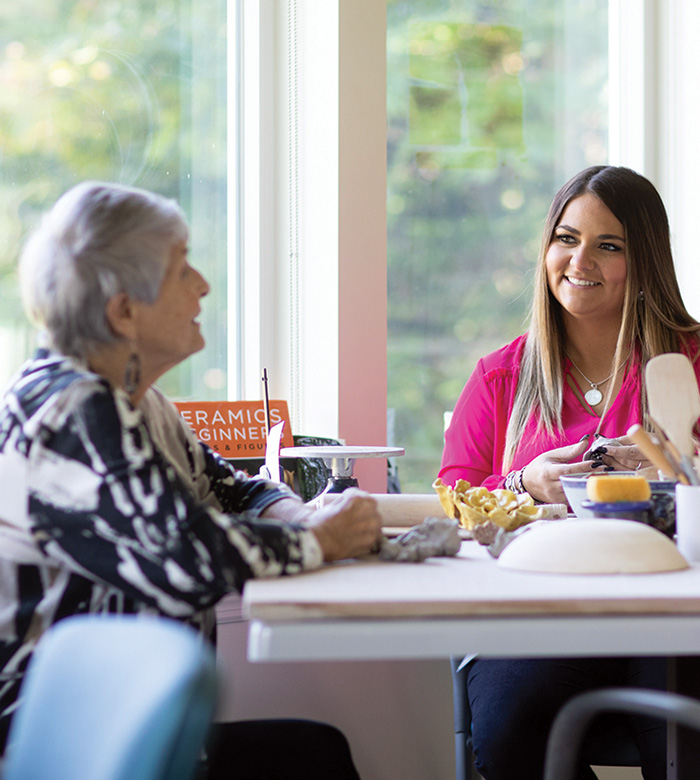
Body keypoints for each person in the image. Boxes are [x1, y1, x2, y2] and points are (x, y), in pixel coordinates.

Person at [0, 181, 383, 779]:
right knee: (312, 760)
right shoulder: (70, 413)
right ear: (123, 311)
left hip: (116, 726)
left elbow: (233, 487)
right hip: (62, 747)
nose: (203, 285)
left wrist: (295, 514)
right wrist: (323, 539)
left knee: (314, 754)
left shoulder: (134, 403)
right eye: (182, 269)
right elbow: (185, 554)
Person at [439, 165, 700, 780]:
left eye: (609, 245)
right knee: (505, 732)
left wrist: (680, 475)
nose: (579, 259)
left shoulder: (686, 364)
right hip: (537, 614)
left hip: (671, 613)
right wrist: (521, 483)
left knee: (683, 748)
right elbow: (453, 497)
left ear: (645, 263)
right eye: (566, 238)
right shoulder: (501, 376)